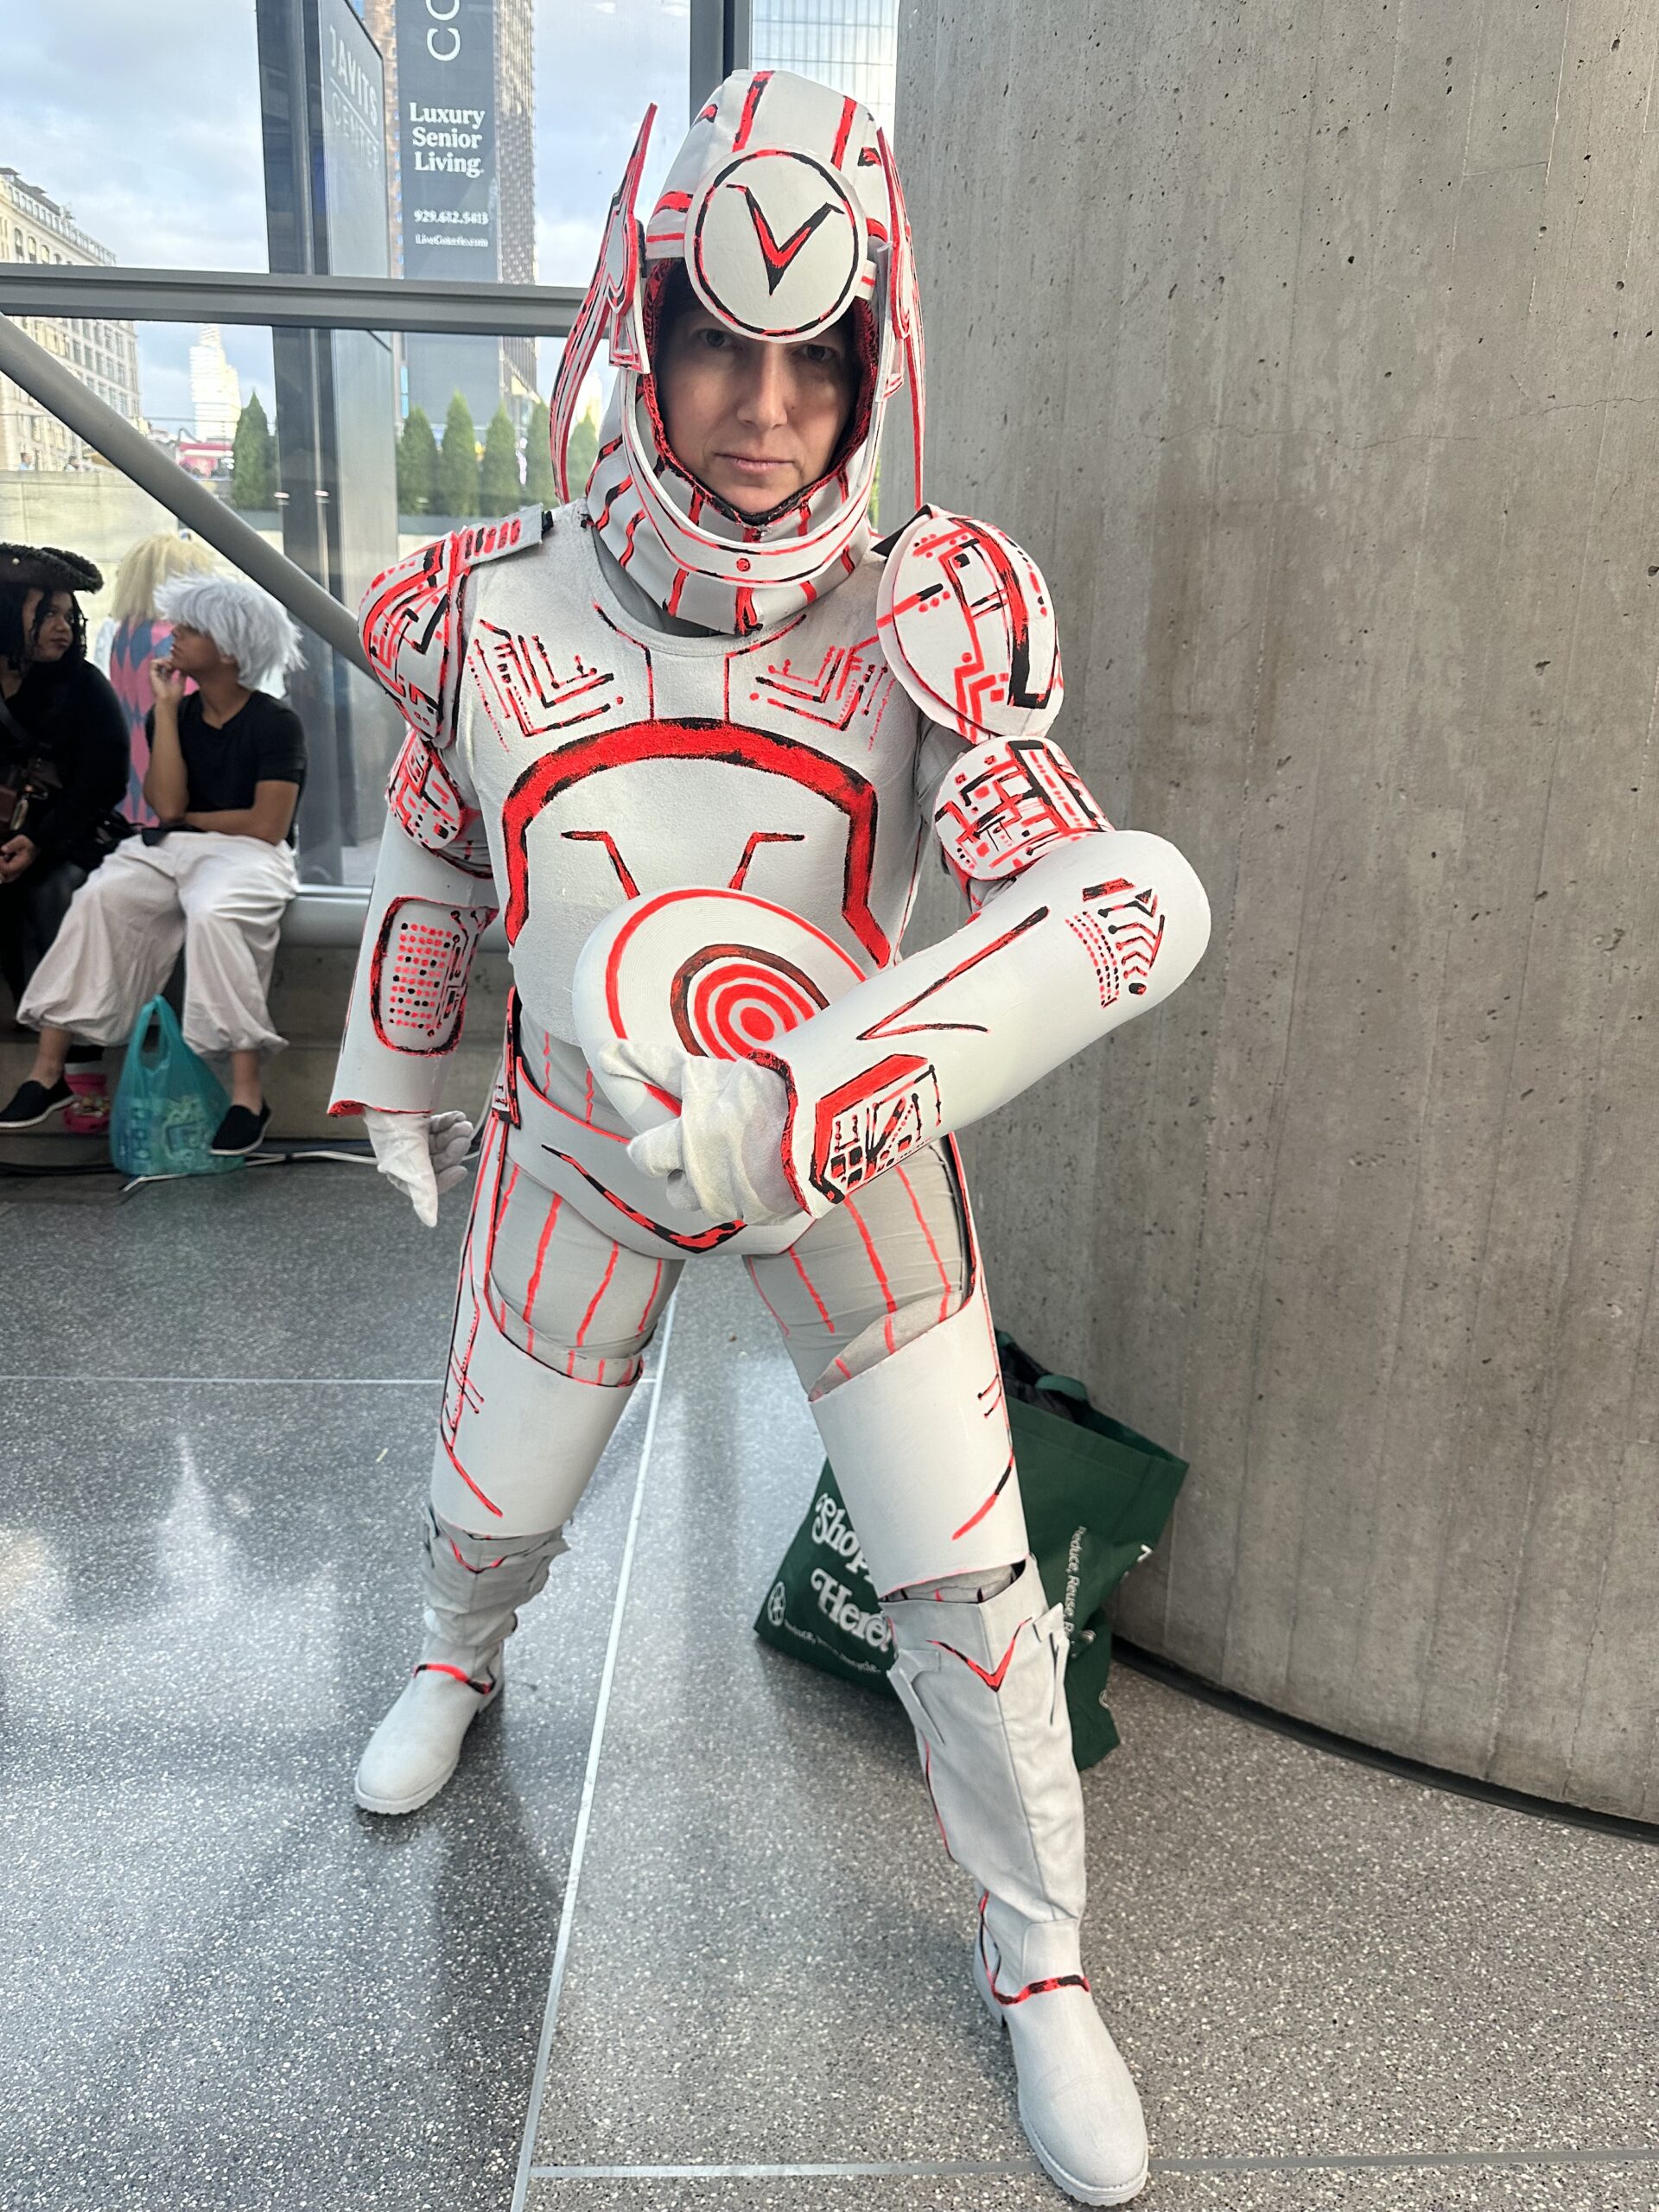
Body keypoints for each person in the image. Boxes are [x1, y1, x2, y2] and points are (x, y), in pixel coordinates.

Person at [334, 73, 1211, 2208]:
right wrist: (404, 1056)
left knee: (965, 1576)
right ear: (638, 332)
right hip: (576, 1135)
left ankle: (1037, 1956)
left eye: (813, 354)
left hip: (845, 1151)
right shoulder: (479, 603)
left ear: (870, 360)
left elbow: (1081, 887)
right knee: (492, 1494)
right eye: (718, 342)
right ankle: (455, 1654)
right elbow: (441, 845)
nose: (762, 406)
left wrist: (828, 1089)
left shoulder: (927, 612)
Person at [3, 573, 307, 1156]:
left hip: (251, 854)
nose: (175, 636)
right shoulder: (175, 714)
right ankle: (48, 1073)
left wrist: (192, 819)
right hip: (174, 846)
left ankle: (248, 1097)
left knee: (216, 914)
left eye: (190, 629)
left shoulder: (275, 723)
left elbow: (267, 824)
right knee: (100, 898)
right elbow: (167, 806)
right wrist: (166, 712)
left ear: (229, 648)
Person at [0, 543, 132, 1133]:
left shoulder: (83, 686)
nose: (63, 627)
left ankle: (75, 1064)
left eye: (67, 614)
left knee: (56, 891)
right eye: (46, 613)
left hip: (71, 837)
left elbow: (103, 783)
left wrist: (38, 842)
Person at [92, 531, 218, 827]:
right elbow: (195, 721)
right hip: (170, 783)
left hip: (134, 780)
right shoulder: (170, 641)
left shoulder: (126, 633)